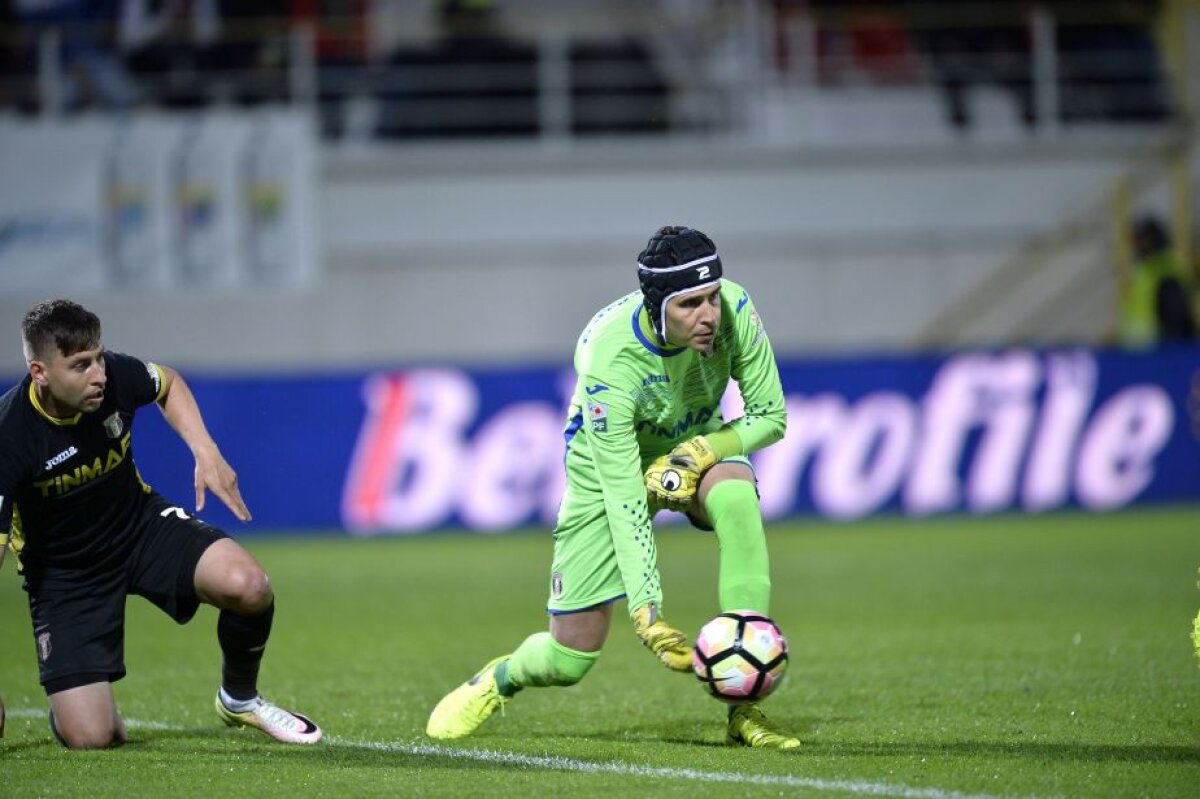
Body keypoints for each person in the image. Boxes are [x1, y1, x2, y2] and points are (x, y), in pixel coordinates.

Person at [426, 225, 799, 749]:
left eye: (712, 296)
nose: (709, 315)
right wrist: (647, 613)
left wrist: (705, 450)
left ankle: (745, 708)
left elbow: (771, 416)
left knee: (736, 495)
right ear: (658, 306)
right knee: (569, 657)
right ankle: (499, 678)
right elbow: (625, 498)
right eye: (690, 304)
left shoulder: (736, 309)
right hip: (604, 472)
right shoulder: (610, 356)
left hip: (692, 447)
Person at [0, 299, 321, 749]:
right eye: (80, 366)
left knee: (249, 585)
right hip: (65, 574)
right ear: (39, 372)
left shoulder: (115, 377)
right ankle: (76, 710)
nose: (98, 374)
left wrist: (204, 449)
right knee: (92, 737)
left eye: (98, 357)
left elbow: (168, 382)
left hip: (139, 528)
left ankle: (239, 698)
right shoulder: (10, 436)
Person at [1119, 216, 1196, 347]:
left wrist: (1168, 349)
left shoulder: (1164, 272)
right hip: (1139, 350)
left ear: (1156, 240)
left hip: (1158, 352)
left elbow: (1175, 320)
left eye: (1143, 240)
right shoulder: (1145, 270)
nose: (1138, 246)